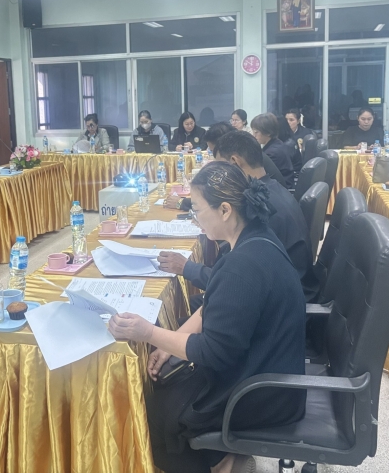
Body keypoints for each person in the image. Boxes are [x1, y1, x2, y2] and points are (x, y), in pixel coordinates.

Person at [109, 162, 306, 473]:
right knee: (172, 378)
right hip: (271, 366)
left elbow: (214, 351)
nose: (195, 218)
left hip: (263, 393)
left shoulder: (242, 265)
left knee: (160, 410)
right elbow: (216, 304)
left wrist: (148, 333)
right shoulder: (255, 237)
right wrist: (170, 344)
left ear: (225, 210)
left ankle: (219, 462)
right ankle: (225, 457)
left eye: (198, 210)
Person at [159, 131, 317, 302]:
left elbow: (237, 278)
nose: (216, 177)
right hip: (274, 287)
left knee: (176, 305)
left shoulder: (262, 210)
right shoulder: (268, 191)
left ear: (234, 162)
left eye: (219, 170)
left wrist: (187, 268)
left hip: (276, 299)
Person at [250, 113, 295, 189]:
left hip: (279, 191)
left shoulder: (272, 153)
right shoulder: (277, 143)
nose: (253, 135)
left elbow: (260, 178)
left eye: (256, 132)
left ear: (268, 132)